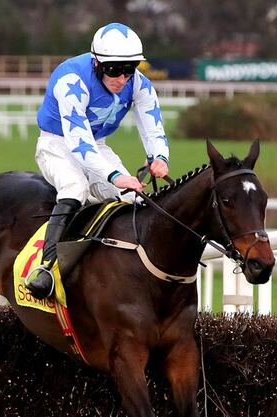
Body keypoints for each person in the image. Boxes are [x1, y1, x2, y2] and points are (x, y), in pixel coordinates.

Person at [27, 22, 170, 299]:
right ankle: (46, 268)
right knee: (75, 188)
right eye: (114, 70)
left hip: (98, 146)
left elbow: (152, 126)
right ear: (96, 63)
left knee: (133, 198)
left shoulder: (139, 84)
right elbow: (79, 143)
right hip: (57, 143)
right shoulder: (71, 80)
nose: (122, 79)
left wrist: (160, 157)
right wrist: (115, 176)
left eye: (129, 70)